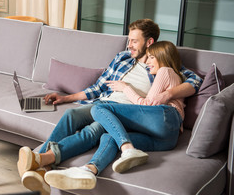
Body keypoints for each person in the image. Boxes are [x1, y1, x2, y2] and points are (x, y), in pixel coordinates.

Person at [16, 19, 202, 195]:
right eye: (129, 40)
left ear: (149, 42)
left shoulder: (160, 63)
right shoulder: (123, 58)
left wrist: (168, 94)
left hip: (128, 111)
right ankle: (41, 164)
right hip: (105, 103)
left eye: (134, 41)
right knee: (71, 114)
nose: (129, 45)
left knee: (94, 130)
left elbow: (195, 80)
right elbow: (98, 87)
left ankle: (41, 162)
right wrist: (66, 98)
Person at [43, 40, 186, 190]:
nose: (148, 62)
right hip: (168, 140)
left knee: (98, 110)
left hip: (165, 118)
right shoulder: (175, 76)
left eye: (151, 58)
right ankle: (90, 169)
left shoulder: (165, 71)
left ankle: (127, 148)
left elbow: (147, 105)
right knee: (110, 136)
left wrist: (125, 88)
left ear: (162, 57)